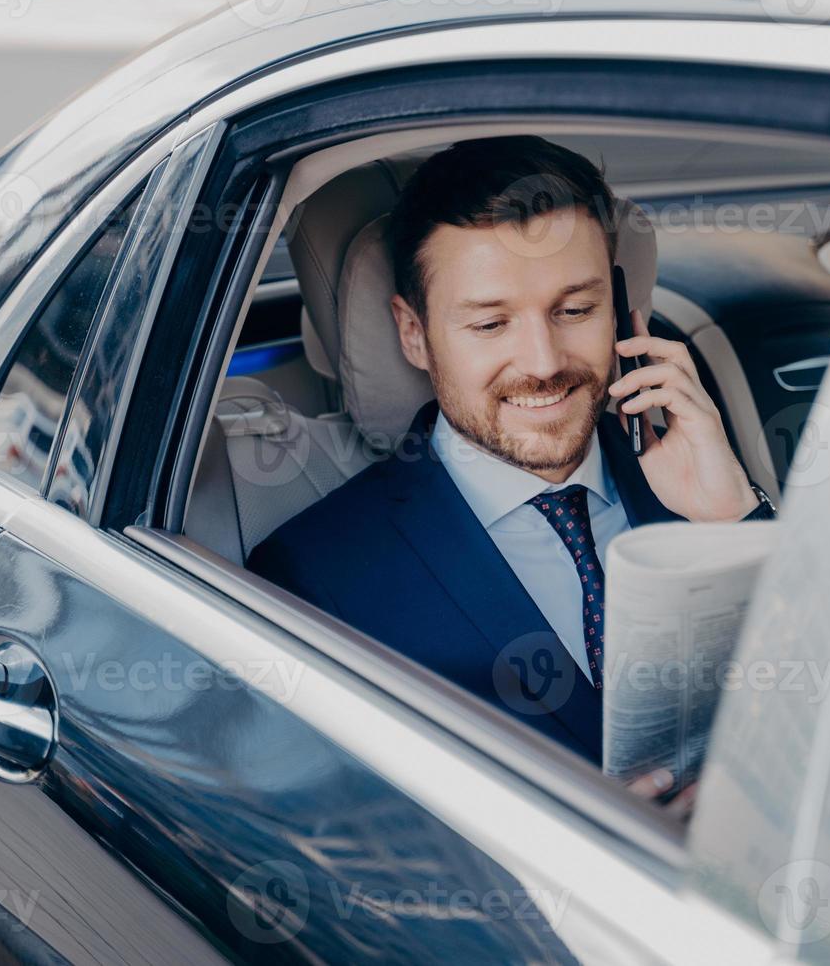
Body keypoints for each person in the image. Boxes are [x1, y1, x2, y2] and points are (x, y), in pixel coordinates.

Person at [248, 136, 774, 806]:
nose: (543, 362)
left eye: (576, 310)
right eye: (491, 324)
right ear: (414, 333)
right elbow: (338, 843)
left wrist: (739, 518)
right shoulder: (314, 578)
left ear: (620, 307)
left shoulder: (702, 480)